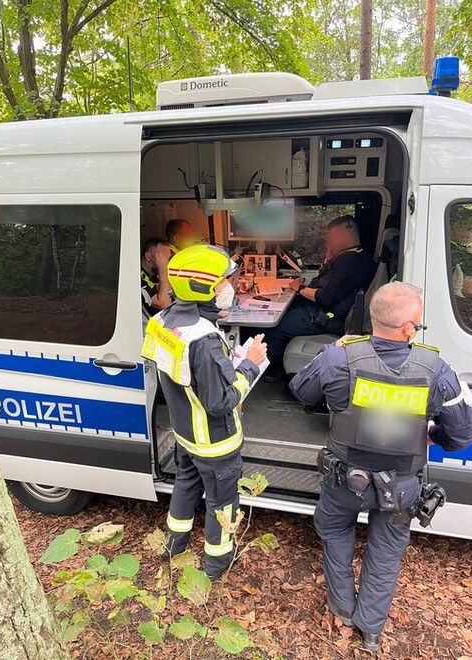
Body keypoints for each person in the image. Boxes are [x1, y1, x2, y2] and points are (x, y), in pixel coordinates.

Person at [290, 281, 472, 652]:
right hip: (401, 487)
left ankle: (342, 607)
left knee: (336, 535)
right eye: (417, 325)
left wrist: (331, 355)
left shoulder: (339, 357)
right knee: (386, 550)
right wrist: (430, 436)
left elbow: (301, 391)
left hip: (343, 480)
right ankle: (370, 628)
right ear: (408, 329)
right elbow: (460, 436)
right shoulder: (437, 370)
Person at [141, 244, 267, 580]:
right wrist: (251, 365)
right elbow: (220, 402)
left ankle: (173, 548)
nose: (230, 286)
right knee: (221, 505)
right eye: (224, 281)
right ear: (204, 288)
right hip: (215, 444)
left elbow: (186, 377)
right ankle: (216, 566)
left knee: (184, 488)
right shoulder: (204, 339)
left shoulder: (161, 321)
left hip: (185, 434)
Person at [262, 215, 374, 381]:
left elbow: (327, 297)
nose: (329, 242)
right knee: (283, 311)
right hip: (321, 311)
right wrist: (328, 259)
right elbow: (325, 285)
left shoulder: (351, 262)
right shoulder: (352, 256)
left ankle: (274, 368)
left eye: (332, 238)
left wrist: (299, 288)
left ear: (347, 236)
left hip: (326, 318)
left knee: (274, 326)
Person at [141, 237, 172, 316]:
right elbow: (165, 304)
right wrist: (163, 267)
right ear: (148, 256)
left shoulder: (155, 275)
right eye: (162, 258)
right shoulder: (138, 279)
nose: (166, 262)